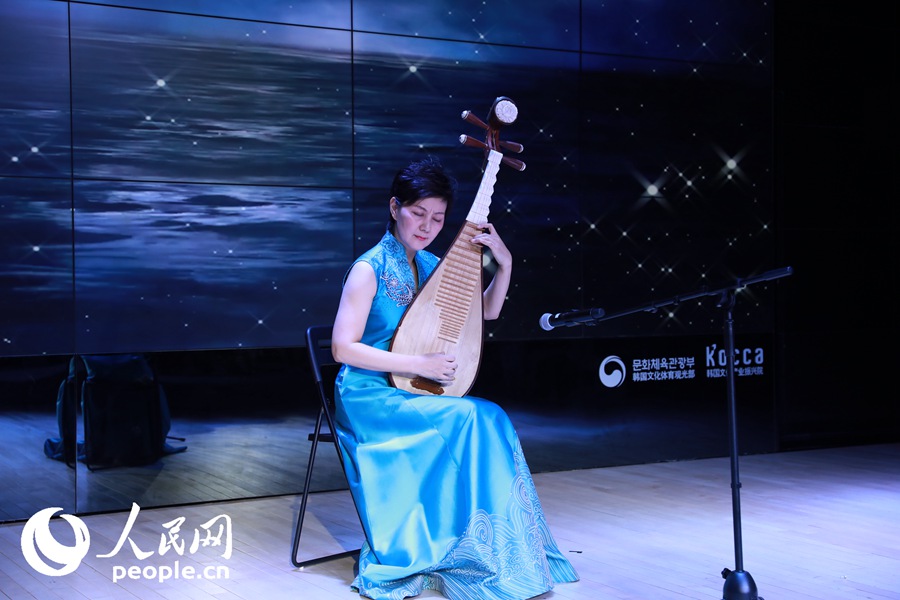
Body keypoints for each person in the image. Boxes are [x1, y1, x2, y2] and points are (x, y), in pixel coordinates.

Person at [330, 156, 578, 600]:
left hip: (411, 387)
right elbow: (342, 348)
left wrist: (504, 264)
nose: (427, 226)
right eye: (418, 213)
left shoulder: (430, 264)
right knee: (473, 417)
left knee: (491, 416)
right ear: (394, 207)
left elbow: (486, 312)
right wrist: (418, 364)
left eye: (438, 217)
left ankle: (499, 551)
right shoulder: (369, 268)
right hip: (369, 393)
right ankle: (452, 544)